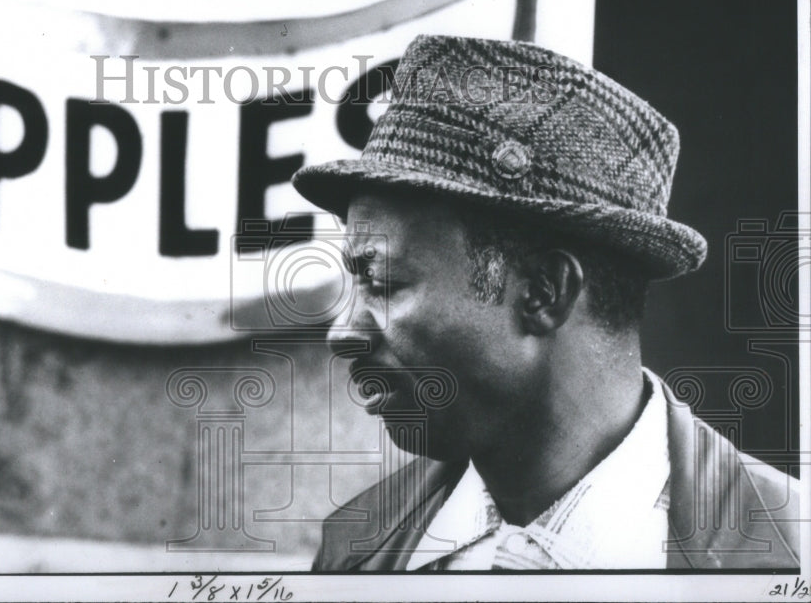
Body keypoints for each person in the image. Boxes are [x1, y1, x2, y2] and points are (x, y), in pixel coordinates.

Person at [291, 35, 799, 570]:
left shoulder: (793, 556)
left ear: (543, 292)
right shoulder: (355, 543)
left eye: (383, 282)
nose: (343, 333)